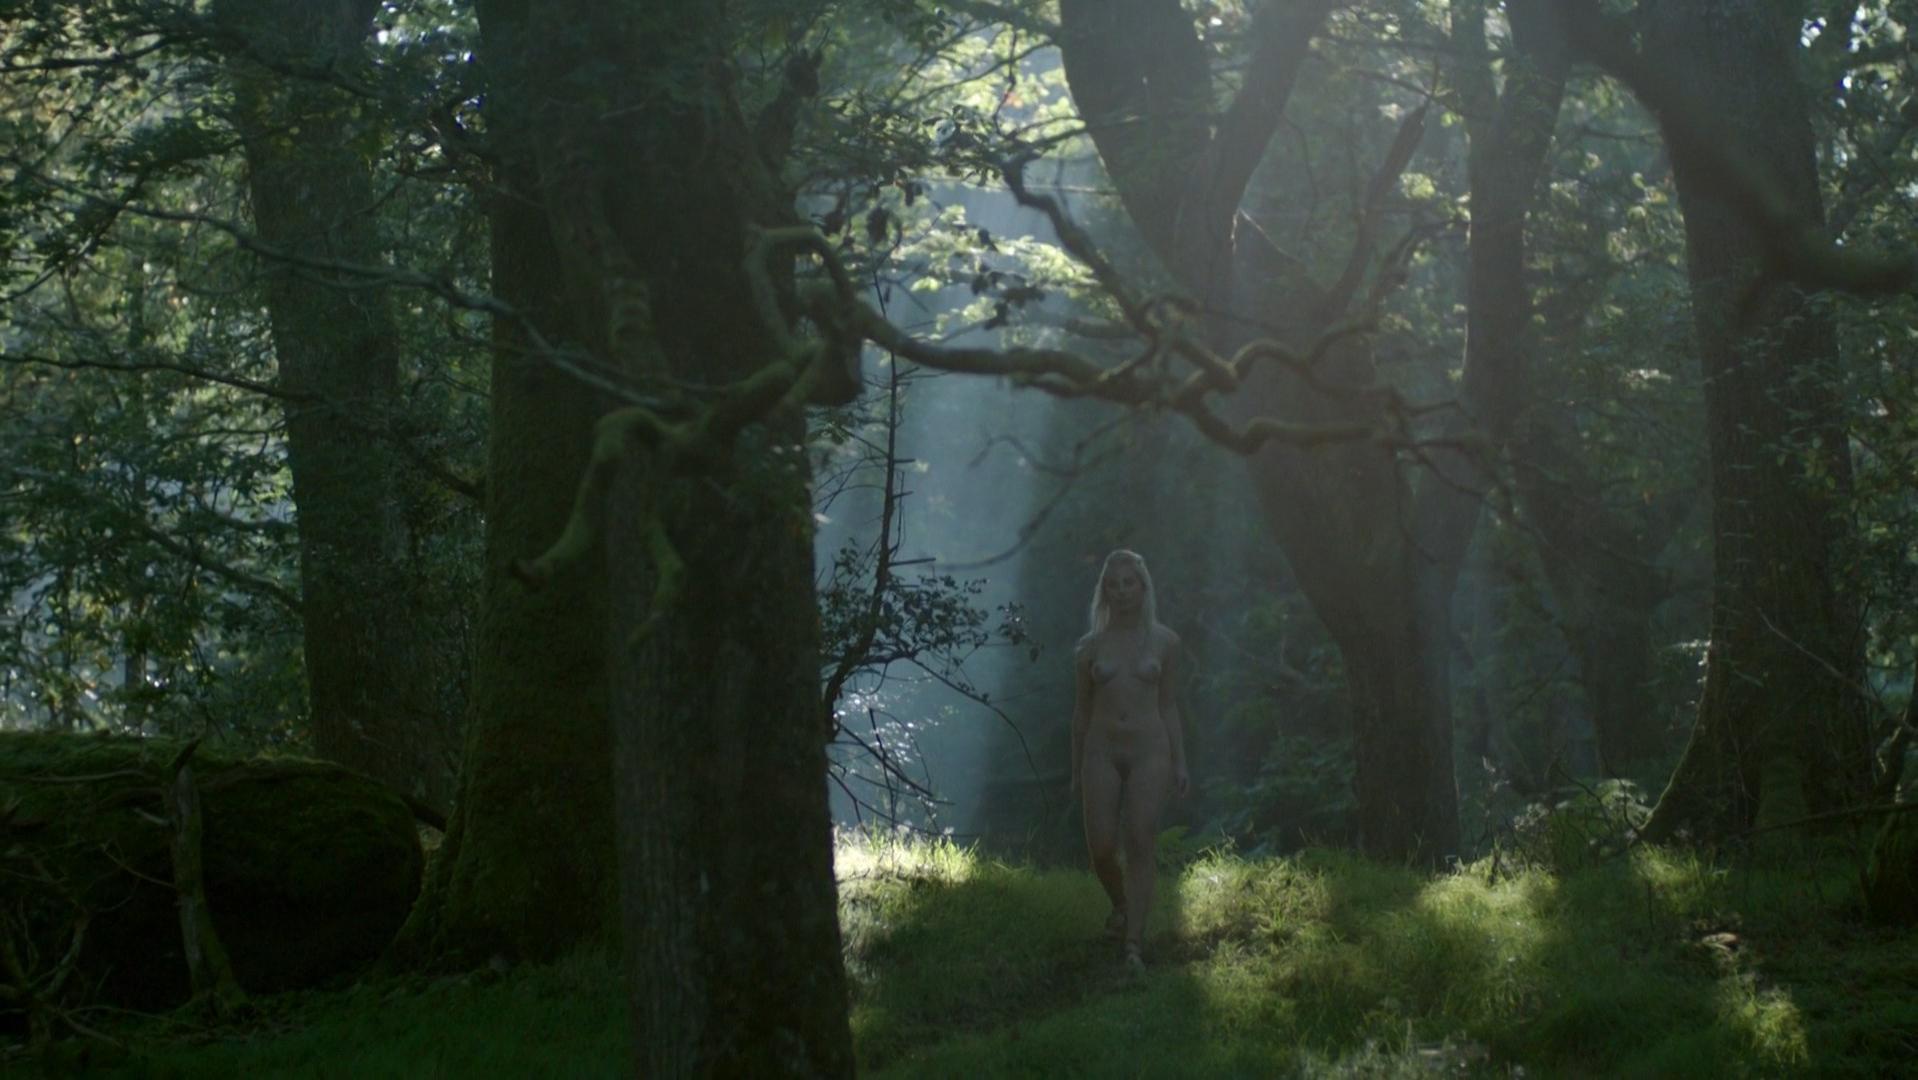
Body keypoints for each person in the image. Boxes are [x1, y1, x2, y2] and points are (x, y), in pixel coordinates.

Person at [1070, 549, 1188, 972]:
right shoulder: (1089, 647)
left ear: (1143, 587)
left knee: (1140, 837)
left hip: (1149, 750)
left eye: (1129, 583)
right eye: (1113, 585)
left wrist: (1180, 762)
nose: (1121, 592)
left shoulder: (1166, 642)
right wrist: (1075, 768)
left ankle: (1134, 944)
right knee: (1101, 847)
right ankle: (1120, 905)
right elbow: (1081, 712)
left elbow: (1169, 704)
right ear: (1104, 591)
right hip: (1101, 750)